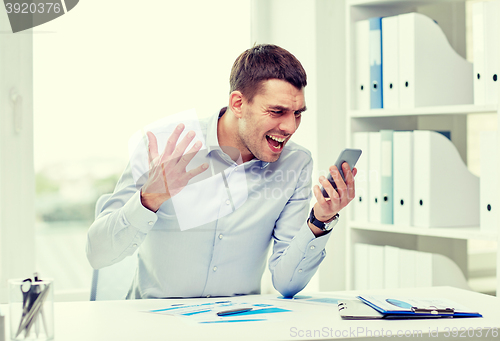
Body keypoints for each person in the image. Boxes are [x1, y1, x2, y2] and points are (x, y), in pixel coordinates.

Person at [86, 44, 357, 299]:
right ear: (238, 104)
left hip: (239, 325)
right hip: (157, 324)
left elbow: (286, 284)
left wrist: (321, 219)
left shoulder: (295, 163)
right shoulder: (164, 148)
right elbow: (97, 255)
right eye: (277, 111)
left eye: (298, 113)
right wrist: (149, 198)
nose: (290, 126)